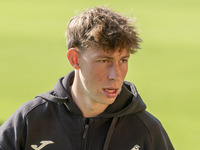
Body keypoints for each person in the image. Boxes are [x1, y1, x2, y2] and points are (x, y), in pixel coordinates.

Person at [0, 7, 174, 150]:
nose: (116, 75)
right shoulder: (30, 120)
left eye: (123, 60)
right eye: (104, 61)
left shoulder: (146, 131)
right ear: (75, 59)